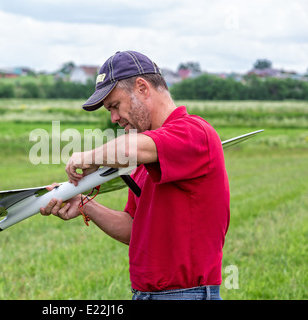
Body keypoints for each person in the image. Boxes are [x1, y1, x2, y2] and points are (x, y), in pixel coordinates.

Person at [39, 51, 230, 300]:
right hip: (145, 293)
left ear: (142, 88)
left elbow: (129, 147)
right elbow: (134, 229)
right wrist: (85, 204)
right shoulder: (145, 158)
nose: (114, 118)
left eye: (115, 106)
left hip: (186, 294)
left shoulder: (193, 132)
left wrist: (91, 157)